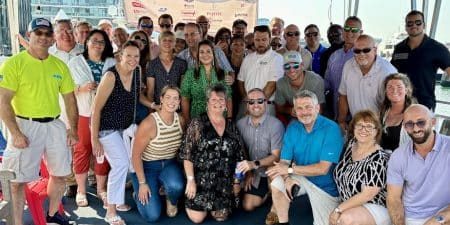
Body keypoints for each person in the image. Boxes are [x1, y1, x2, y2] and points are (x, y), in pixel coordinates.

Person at [0, 18, 78, 225]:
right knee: (15, 181)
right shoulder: (14, 63)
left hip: (54, 125)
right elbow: (3, 100)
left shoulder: (60, 66)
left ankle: (53, 214)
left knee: (60, 175)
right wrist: (15, 133)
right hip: (24, 125)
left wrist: (73, 130)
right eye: (38, 33)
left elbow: (70, 100)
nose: (43, 37)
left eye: (47, 33)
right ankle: (16, 223)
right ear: (29, 35)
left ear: (52, 39)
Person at [266, 90, 344, 225]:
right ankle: (283, 222)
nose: (304, 112)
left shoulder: (331, 128)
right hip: (301, 176)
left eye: (308, 107)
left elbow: (323, 169)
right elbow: (283, 162)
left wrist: (289, 171)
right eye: (299, 108)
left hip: (325, 186)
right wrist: (287, 179)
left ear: (317, 108)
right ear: (294, 111)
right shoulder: (293, 128)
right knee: (277, 182)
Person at [91, 41, 145, 225]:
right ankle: (111, 211)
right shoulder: (110, 76)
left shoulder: (137, 72)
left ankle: (118, 200)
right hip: (107, 130)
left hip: (124, 129)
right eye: (128, 55)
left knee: (127, 164)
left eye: (136, 56)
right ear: (120, 56)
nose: (132, 59)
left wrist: (154, 105)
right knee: (121, 164)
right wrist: (94, 140)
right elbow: (95, 110)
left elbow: (139, 97)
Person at [180, 84, 246, 223]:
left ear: (226, 103)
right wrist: (191, 180)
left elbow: (240, 156)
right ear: (207, 102)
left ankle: (216, 206)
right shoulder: (197, 123)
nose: (218, 103)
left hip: (224, 183)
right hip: (201, 181)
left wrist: (236, 181)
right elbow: (187, 155)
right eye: (213, 100)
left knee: (221, 217)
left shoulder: (231, 126)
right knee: (197, 218)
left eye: (221, 99)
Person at [67, 29, 115, 207]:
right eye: (94, 41)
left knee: (103, 152)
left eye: (102, 42)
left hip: (106, 115)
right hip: (85, 113)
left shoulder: (112, 62)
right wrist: (82, 88)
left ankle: (102, 189)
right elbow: (66, 90)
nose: (98, 44)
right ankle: (81, 189)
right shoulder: (75, 63)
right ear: (86, 42)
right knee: (82, 150)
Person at [387, 104, 450, 225]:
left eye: (421, 122)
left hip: (444, 215)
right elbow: (393, 199)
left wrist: (437, 220)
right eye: (409, 124)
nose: (416, 129)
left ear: (433, 122)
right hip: (413, 217)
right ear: (404, 127)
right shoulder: (398, 156)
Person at [131, 85, 186, 222]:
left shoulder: (180, 120)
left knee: (177, 186)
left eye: (175, 98)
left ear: (179, 102)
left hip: (169, 164)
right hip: (147, 167)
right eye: (168, 97)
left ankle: (170, 199)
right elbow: (135, 155)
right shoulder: (149, 123)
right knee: (152, 216)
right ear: (161, 99)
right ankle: (137, 191)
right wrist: (142, 183)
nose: (171, 101)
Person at [331, 110, 391, 225]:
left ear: (376, 132)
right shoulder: (351, 145)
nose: (363, 129)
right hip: (349, 203)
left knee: (346, 219)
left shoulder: (379, 158)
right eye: (360, 125)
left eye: (369, 126)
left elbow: (367, 194)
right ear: (353, 128)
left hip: (373, 205)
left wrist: (339, 209)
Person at [49, 19, 84, 198]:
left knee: (82, 144)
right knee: (64, 146)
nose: (66, 34)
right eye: (61, 31)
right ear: (54, 34)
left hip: (84, 104)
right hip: (59, 107)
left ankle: (85, 180)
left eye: (69, 30)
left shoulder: (83, 51)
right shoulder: (48, 54)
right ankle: (70, 182)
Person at [391, 10, 450, 110]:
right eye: (410, 23)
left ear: (424, 25)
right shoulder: (399, 48)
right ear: (406, 27)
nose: (414, 25)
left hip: (424, 104)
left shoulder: (437, 48)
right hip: (399, 103)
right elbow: (391, 74)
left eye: (418, 22)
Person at [236, 88, 284, 211]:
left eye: (260, 101)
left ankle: (269, 192)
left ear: (266, 102)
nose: (256, 105)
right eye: (251, 102)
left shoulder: (276, 125)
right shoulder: (240, 124)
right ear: (247, 105)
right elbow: (240, 152)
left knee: (249, 205)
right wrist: (248, 172)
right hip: (247, 170)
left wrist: (253, 165)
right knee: (240, 199)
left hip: (266, 171)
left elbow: (276, 156)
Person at [338, 34, 397, 131]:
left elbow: (394, 106)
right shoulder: (348, 66)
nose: (361, 54)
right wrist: (341, 121)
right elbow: (343, 95)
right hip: (356, 125)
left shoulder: (387, 72)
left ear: (375, 50)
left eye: (366, 50)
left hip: (380, 128)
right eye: (357, 51)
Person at [181, 40, 233, 122]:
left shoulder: (223, 73)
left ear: (213, 54)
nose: (205, 55)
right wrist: (187, 120)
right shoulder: (190, 74)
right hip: (197, 119)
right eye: (201, 52)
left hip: (220, 119)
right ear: (198, 55)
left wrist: (229, 119)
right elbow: (185, 98)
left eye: (208, 51)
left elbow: (228, 98)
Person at [237, 25, 284, 118]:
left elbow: (272, 85)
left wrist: (255, 105)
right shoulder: (248, 58)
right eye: (257, 40)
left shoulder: (277, 58)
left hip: (266, 106)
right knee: (239, 131)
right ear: (253, 40)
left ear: (269, 40)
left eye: (264, 40)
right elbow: (240, 81)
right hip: (246, 105)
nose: (260, 43)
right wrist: (247, 100)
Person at [325, 16, 362, 119]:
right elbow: (327, 84)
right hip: (337, 114)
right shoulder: (334, 56)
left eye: (354, 30)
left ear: (361, 32)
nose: (349, 33)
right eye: (346, 29)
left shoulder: (364, 56)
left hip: (358, 115)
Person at [275, 51, 325, 123]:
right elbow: (279, 108)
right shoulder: (281, 83)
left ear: (302, 65)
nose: (292, 70)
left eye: (295, 66)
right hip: (294, 119)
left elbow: (320, 109)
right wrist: (290, 110)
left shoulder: (316, 80)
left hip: (315, 117)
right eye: (287, 66)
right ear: (283, 68)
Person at [147, 31, 187, 107]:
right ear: (159, 42)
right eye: (164, 40)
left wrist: (182, 109)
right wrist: (152, 112)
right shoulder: (152, 64)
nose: (167, 43)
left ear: (174, 43)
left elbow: (183, 90)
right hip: (158, 107)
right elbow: (150, 91)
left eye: (170, 41)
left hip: (176, 107)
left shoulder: (182, 63)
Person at [379, 73, 415, 151]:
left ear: (406, 90)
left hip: (402, 161)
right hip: (382, 160)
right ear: (386, 91)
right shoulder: (382, 112)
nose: (394, 91)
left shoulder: (414, 115)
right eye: (390, 87)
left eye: (399, 87)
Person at [228, 36, 246, 119]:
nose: (238, 47)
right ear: (231, 46)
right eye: (235, 44)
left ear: (245, 47)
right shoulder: (224, 60)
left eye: (241, 44)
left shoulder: (248, 62)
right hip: (226, 99)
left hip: (243, 100)